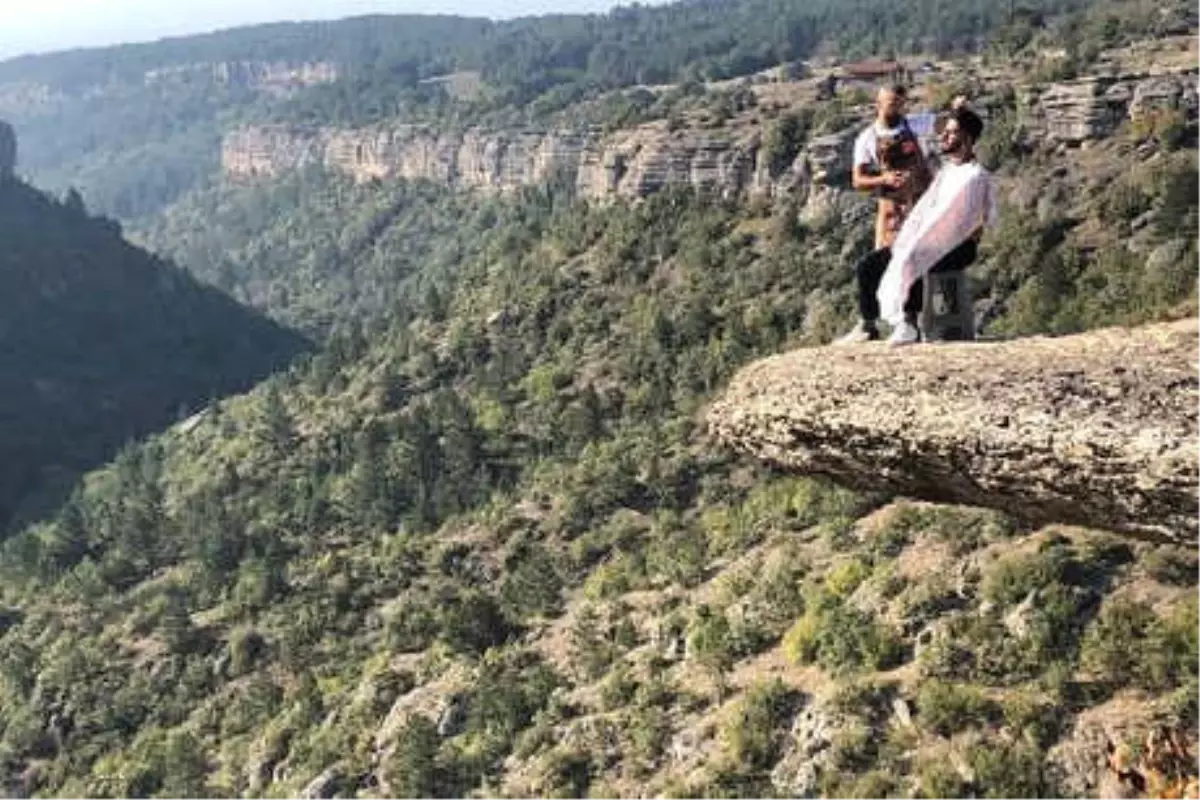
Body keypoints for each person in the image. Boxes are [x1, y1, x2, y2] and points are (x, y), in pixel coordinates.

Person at [838, 104, 995, 345]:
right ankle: (867, 325)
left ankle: (909, 324)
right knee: (869, 265)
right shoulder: (948, 170)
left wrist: (920, 243)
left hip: (959, 246)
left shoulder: (975, 176)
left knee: (914, 259)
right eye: (946, 131)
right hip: (932, 239)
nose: (943, 136)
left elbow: (959, 222)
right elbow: (929, 209)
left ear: (967, 138)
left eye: (951, 132)